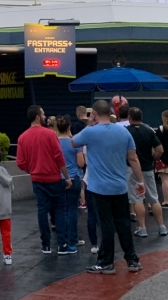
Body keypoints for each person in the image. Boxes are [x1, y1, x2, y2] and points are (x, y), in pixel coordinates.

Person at [73, 100, 145, 275]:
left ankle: (106, 262)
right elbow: (133, 158)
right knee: (124, 223)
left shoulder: (90, 132)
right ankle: (132, 260)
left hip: (99, 187)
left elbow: (73, 142)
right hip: (120, 186)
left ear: (94, 113)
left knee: (106, 225)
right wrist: (140, 181)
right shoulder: (123, 132)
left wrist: (90, 124)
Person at [16, 105, 73, 255]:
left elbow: (20, 162)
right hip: (53, 177)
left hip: (37, 178)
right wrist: (67, 177)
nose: (44, 116)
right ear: (37, 117)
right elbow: (59, 156)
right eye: (42, 114)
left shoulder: (22, 137)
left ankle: (45, 245)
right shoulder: (50, 134)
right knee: (60, 209)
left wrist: (32, 170)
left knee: (42, 210)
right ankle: (62, 244)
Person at [126, 108, 167, 237]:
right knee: (153, 198)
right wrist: (152, 158)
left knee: (137, 199)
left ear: (129, 117)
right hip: (147, 168)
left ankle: (142, 228)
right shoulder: (148, 131)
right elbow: (160, 149)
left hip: (132, 169)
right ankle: (162, 226)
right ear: (141, 117)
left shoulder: (126, 132)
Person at [53, 116, 84, 252]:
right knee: (72, 210)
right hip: (73, 177)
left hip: (58, 179)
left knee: (61, 210)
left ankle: (63, 239)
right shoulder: (74, 143)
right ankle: (73, 238)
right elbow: (81, 163)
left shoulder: (54, 143)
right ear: (69, 127)